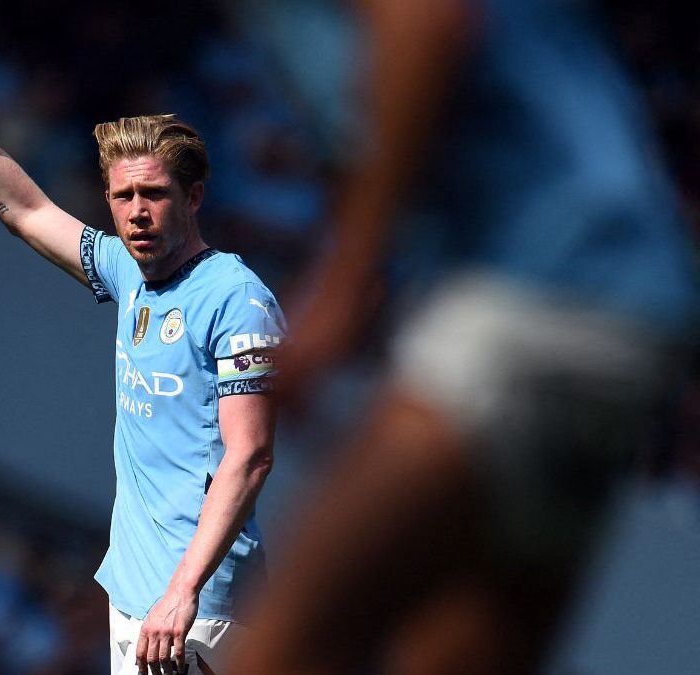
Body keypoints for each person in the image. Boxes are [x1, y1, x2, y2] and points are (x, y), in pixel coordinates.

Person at [233, 0, 699, 673]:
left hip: (538, 277)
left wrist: (340, 286)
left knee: (284, 648)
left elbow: (425, 17)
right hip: (629, 308)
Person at [0, 2, 285, 673]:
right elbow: (27, 210)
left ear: (195, 197)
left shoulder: (236, 297)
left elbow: (251, 456)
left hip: (199, 605)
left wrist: (183, 592)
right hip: (138, 597)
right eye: (123, 198)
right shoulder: (127, 269)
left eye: (154, 194)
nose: (137, 214)